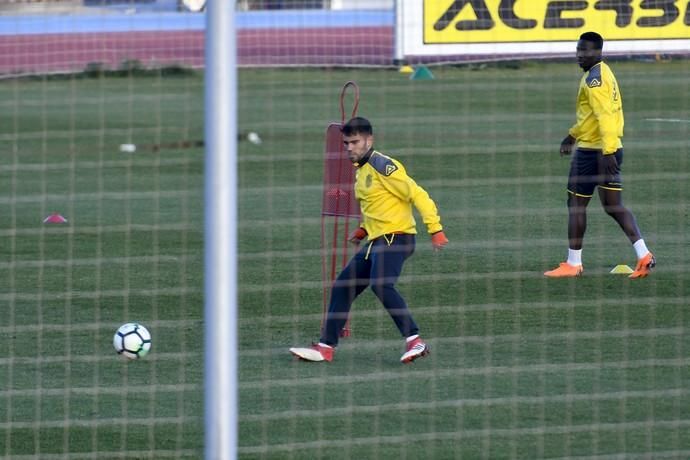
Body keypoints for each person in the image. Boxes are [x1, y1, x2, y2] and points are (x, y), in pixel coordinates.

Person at [290, 117, 449, 363]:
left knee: (381, 284)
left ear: (369, 140)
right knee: (343, 286)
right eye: (346, 143)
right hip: (376, 242)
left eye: (355, 142)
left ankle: (415, 341)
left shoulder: (382, 165)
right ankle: (325, 348)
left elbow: (418, 194)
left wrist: (435, 229)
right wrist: (363, 230)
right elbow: (379, 206)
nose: (350, 148)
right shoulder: (361, 170)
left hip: (397, 238)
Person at [545, 31, 655, 279]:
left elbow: (604, 116)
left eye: (584, 51)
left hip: (594, 153)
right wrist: (573, 135)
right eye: (577, 50)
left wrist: (605, 152)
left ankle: (573, 264)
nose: (579, 56)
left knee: (576, 204)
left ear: (597, 52)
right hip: (611, 147)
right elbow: (595, 117)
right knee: (614, 206)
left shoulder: (594, 80)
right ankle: (644, 255)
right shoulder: (604, 72)